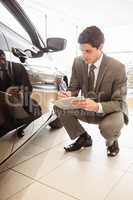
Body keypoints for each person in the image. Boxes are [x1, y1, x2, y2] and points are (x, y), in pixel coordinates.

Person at [54, 26, 128, 157]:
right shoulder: (78, 62)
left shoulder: (118, 68)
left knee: (109, 128)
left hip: (109, 111)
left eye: (88, 51)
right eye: (82, 51)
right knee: (59, 106)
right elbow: (73, 88)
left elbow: (120, 103)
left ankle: (112, 142)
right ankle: (83, 138)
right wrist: (68, 94)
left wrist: (97, 107)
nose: (84, 56)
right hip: (86, 106)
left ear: (100, 47)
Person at [0, 49, 42, 138]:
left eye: (2, 59)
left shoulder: (17, 67)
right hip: (4, 108)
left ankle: (21, 127)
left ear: (4, 58)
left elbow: (28, 88)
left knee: (35, 112)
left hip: (18, 102)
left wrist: (18, 91)